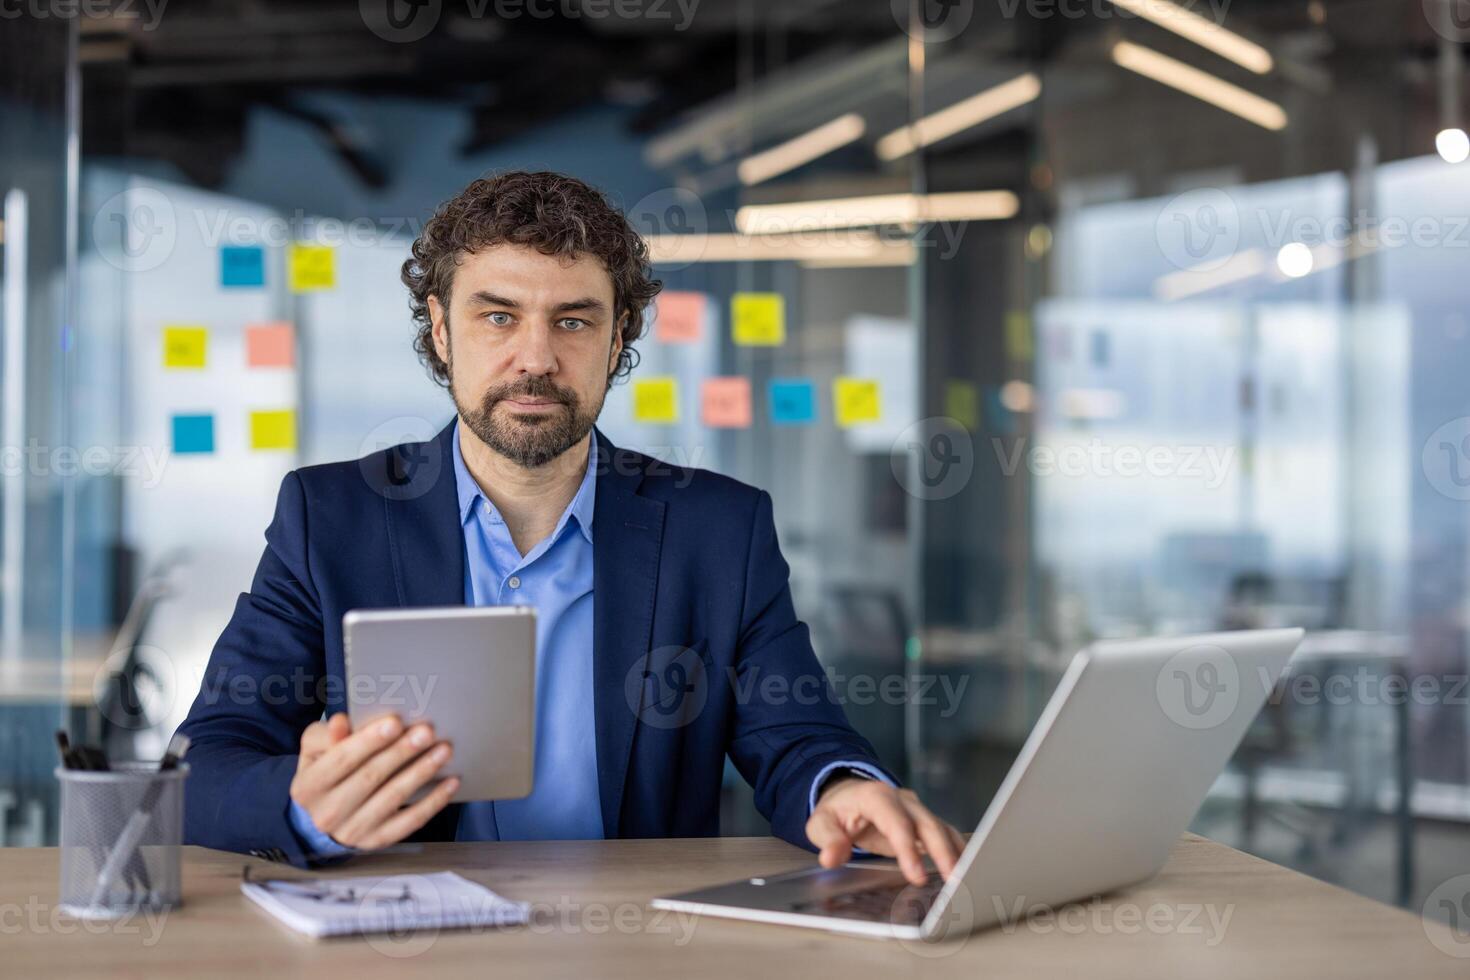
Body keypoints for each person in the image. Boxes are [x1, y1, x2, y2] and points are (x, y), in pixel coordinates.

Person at [177, 171, 963, 884]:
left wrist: (847, 790)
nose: (536, 357)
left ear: (619, 339)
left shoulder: (720, 531)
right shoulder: (331, 518)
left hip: (640, 947)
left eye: (575, 322)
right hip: (407, 945)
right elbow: (203, 766)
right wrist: (308, 806)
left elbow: (798, 738)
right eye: (497, 316)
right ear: (442, 332)